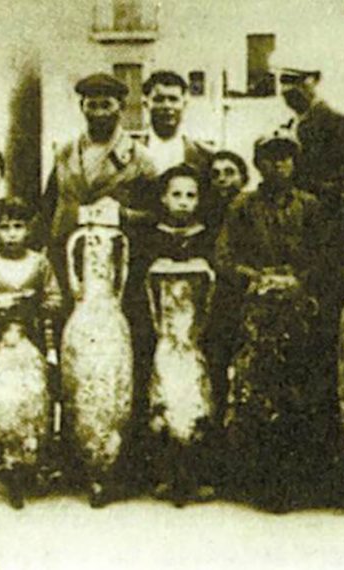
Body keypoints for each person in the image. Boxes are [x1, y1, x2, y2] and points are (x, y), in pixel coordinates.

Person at [214, 133, 343, 511]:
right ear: (258, 165)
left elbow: (325, 256)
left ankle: (301, 483)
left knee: (299, 393)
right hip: (257, 314)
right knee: (257, 393)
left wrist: (299, 279)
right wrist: (254, 277)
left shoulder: (311, 207)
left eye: (285, 158)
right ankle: (260, 482)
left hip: (301, 313)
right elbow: (223, 255)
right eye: (270, 159)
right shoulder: (243, 206)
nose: (279, 166)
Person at [122, 164, 216, 499]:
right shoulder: (150, 238)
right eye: (176, 194)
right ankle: (161, 473)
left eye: (191, 195)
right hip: (161, 331)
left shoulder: (206, 236)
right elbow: (138, 286)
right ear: (163, 197)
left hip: (194, 333)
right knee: (160, 396)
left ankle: (198, 473)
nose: (183, 202)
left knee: (197, 395)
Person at [0, 197, 62, 497]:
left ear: (29, 229)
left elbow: (54, 298)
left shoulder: (39, 263)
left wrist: (31, 302)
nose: (11, 234)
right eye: (4, 227)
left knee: (31, 397)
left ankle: (31, 464)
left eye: (18, 227)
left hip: (28, 342)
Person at [40, 73, 157, 297]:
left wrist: (122, 214)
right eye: (92, 105)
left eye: (107, 105)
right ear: (82, 107)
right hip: (67, 256)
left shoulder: (140, 158)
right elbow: (49, 206)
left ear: (121, 107)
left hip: (117, 261)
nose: (99, 113)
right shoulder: (65, 153)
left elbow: (155, 214)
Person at [278, 67, 344, 200]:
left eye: (296, 81)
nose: (286, 89)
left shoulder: (341, 125)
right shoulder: (287, 128)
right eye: (283, 81)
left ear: (314, 81)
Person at [142, 71, 214, 173]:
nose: (167, 106)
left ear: (184, 104)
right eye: (159, 99)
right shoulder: (132, 151)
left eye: (173, 99)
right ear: (146, 104)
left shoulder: (203, 155)